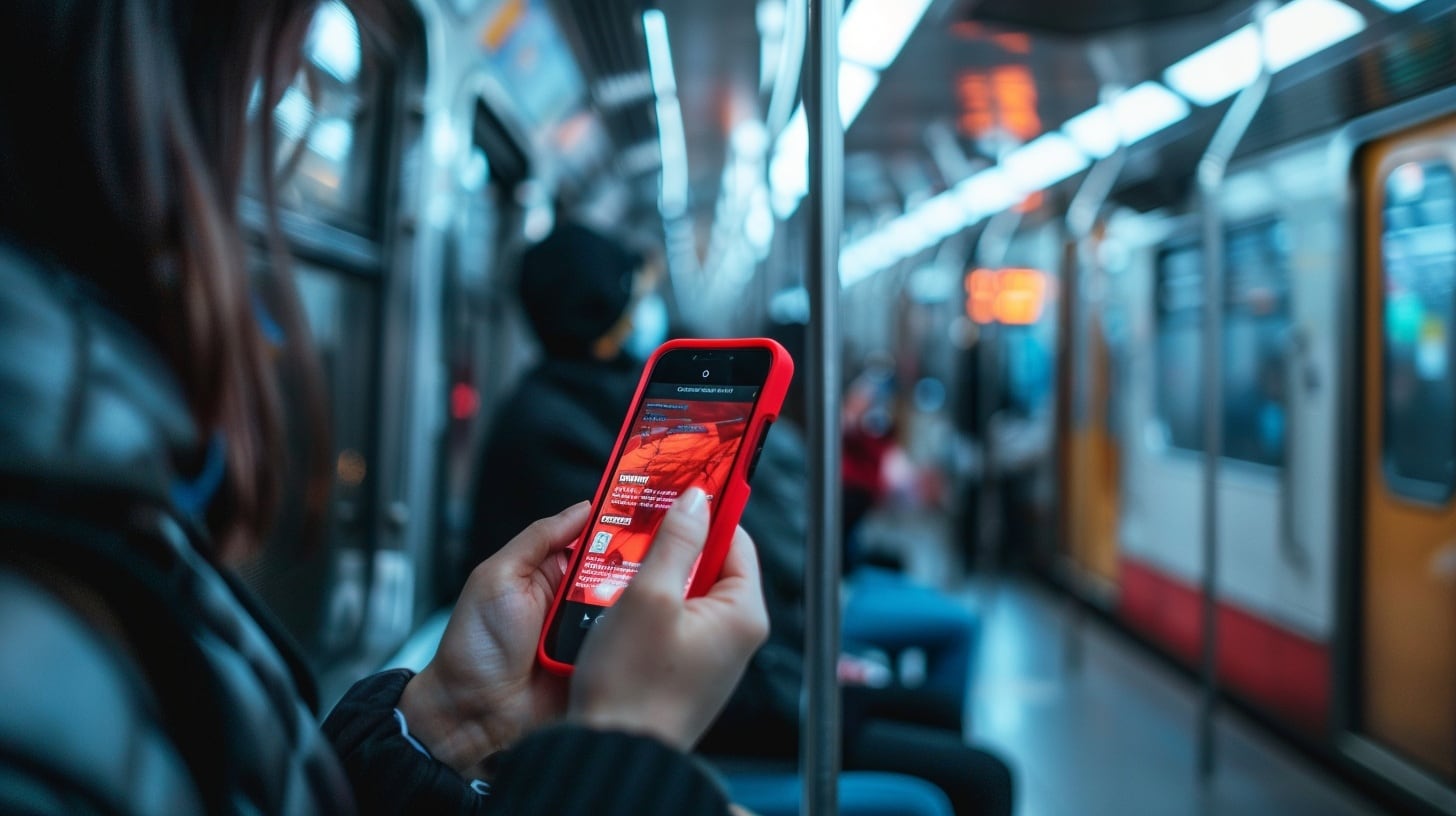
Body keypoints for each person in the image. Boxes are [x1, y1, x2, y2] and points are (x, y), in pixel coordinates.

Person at [0, 3, 771, 814]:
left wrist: (447, 729)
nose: (285, 103)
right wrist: (618, 754)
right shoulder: (47, 623)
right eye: (271, 78)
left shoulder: (105, 533)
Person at [468, 226, 1014, 816]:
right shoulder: (566, 426)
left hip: (730, 677)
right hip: (701, 704)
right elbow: (663, 604)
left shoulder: (591, 403)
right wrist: (805, 679)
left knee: (937, 722)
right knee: (973, 778)